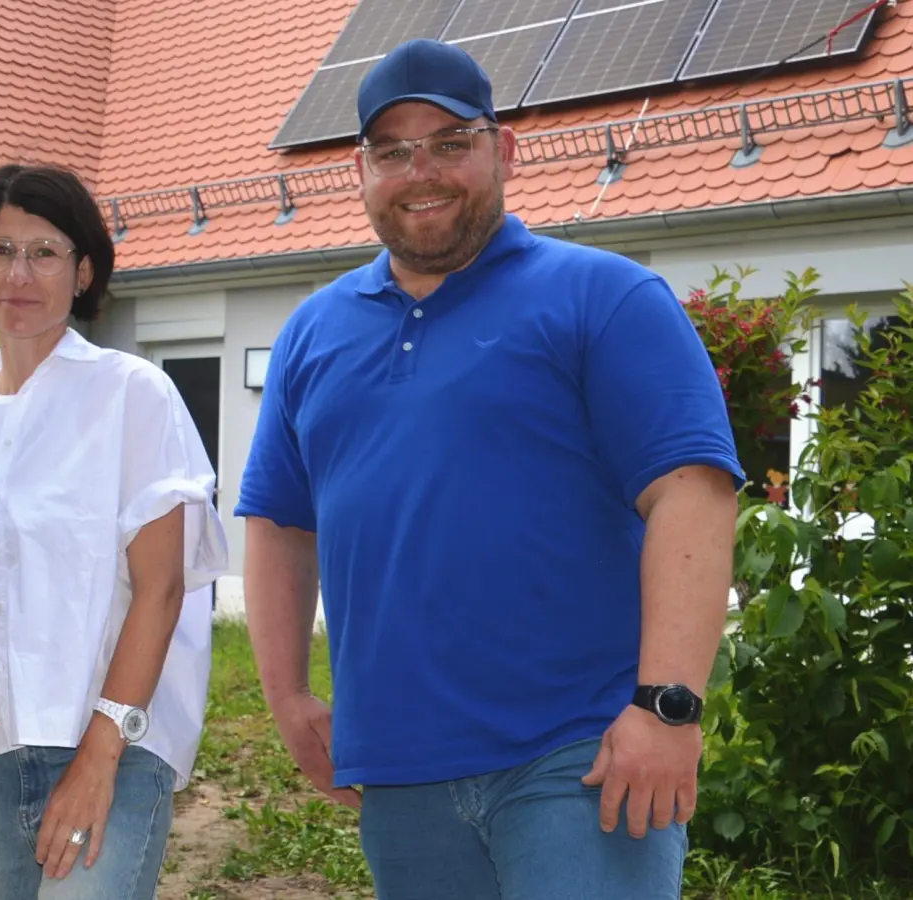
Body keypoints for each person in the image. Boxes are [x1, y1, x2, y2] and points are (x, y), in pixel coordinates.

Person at [235, 39, 743, 900]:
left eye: (448, 142)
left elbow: (691, 496)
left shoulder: (604, 298)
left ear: (501, 150)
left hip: (577, 754)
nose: (419, 171)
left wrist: (667, 706)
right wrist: (286, 696)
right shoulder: (312, 334)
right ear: (360, 170)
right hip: (398, 770)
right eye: (392, 151)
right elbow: (281, 525)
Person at [0, 163, 228, 899]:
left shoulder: (130, 394)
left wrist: (98, 755)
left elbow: (162, 589)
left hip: (110, 744)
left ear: (82, 272)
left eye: (44, 252)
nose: (20, 272)